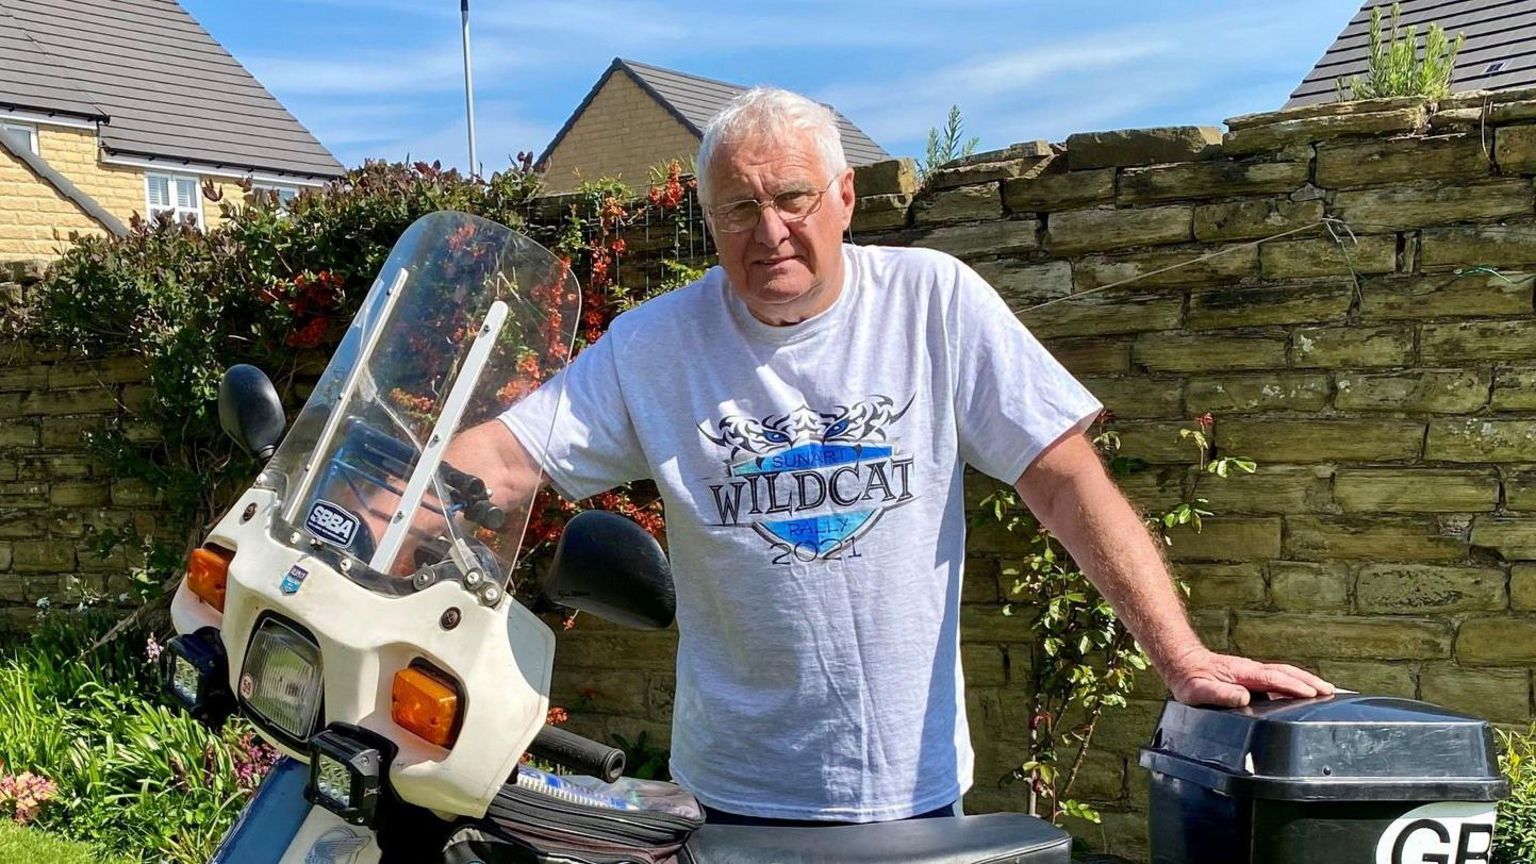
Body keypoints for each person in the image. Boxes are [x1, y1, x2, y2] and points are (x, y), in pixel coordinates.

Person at [444, 87, 1333, 826]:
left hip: (908, 790)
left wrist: (1179, 655)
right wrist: (372, 508)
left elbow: (1063, 478)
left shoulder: (932, 302)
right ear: (710, 221)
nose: (769, 232)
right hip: (731, 792)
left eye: (791, 198)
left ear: (843, 199)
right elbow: (508, 456)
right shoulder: (656, 345)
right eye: (739, 210)